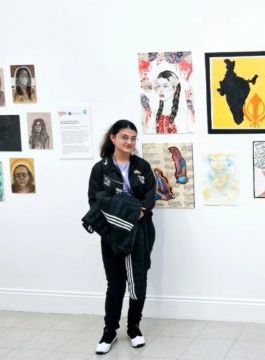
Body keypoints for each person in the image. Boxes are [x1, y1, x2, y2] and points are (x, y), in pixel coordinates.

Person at [87, 120, 156, 355]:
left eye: (133, 138)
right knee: (115, 285)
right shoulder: (101, 169)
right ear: (113, 138)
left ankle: (134, 328)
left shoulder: (142, 167)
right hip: (112, 233)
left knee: (138, 283)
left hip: (141, 231)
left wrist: (136, 210)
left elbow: (149, 197)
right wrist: (125, 211)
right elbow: (96, 202)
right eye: (125, 137)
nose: (130, 142)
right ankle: (109, 332)